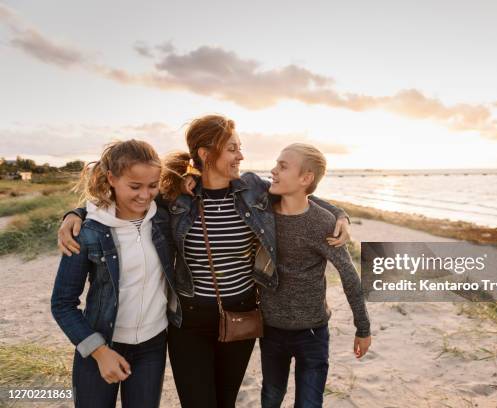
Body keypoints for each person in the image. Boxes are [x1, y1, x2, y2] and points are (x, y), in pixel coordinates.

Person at [57, 115, 352, 408]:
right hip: (189, 322)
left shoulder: (252, 189)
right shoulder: (176, 195)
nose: (241, 155)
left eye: (240, 147)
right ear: (205, 154)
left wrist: (340, 215)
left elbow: (299, 195)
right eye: (232, 148)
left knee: (225, 402)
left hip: (241, 316)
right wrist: (77, 214)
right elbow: (120, 200)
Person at [51, 140, 178, 408]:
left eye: (153, 185)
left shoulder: (163, 219)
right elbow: (62, 304)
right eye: (134, 186)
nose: (145, 195)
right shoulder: (87, 232)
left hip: (152, 347)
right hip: (101, 344)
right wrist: (99, 352)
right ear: (112, 178)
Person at [259, 143, 371, 408]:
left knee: (309, 404)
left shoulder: (322, 223)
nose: (273, 171)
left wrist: (363, 328)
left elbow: (349, 276)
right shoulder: (262, 211)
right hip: (271, 330)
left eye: (283, 166)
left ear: (306, 178)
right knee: (271, 397)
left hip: (312, 333)